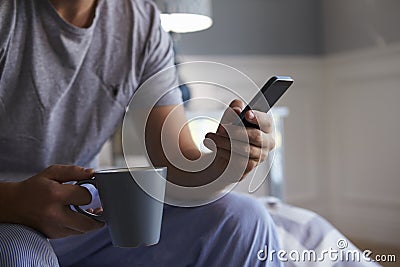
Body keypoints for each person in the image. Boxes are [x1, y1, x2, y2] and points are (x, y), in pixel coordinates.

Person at [0, 0, 282, 266]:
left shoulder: (140, 23)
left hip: (82, 216)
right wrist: (14, 201)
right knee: (17, 253)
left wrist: (226, 162)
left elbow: (179, 166)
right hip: (8, 215)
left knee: (243, 219)